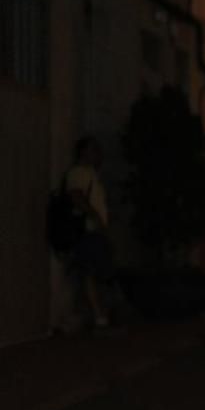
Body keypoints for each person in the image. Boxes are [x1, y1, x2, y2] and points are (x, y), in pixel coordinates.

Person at [65, 136, 114, 328]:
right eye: (93, 150)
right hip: (87, 230)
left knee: (98, 271)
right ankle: (98, 315)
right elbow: (76, 196)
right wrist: (95, 216)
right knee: (89, 272)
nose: (96, 154)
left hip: (95, 229)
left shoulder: (91, 173)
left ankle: (98, 313)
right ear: (84, 151)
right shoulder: (78, 173)